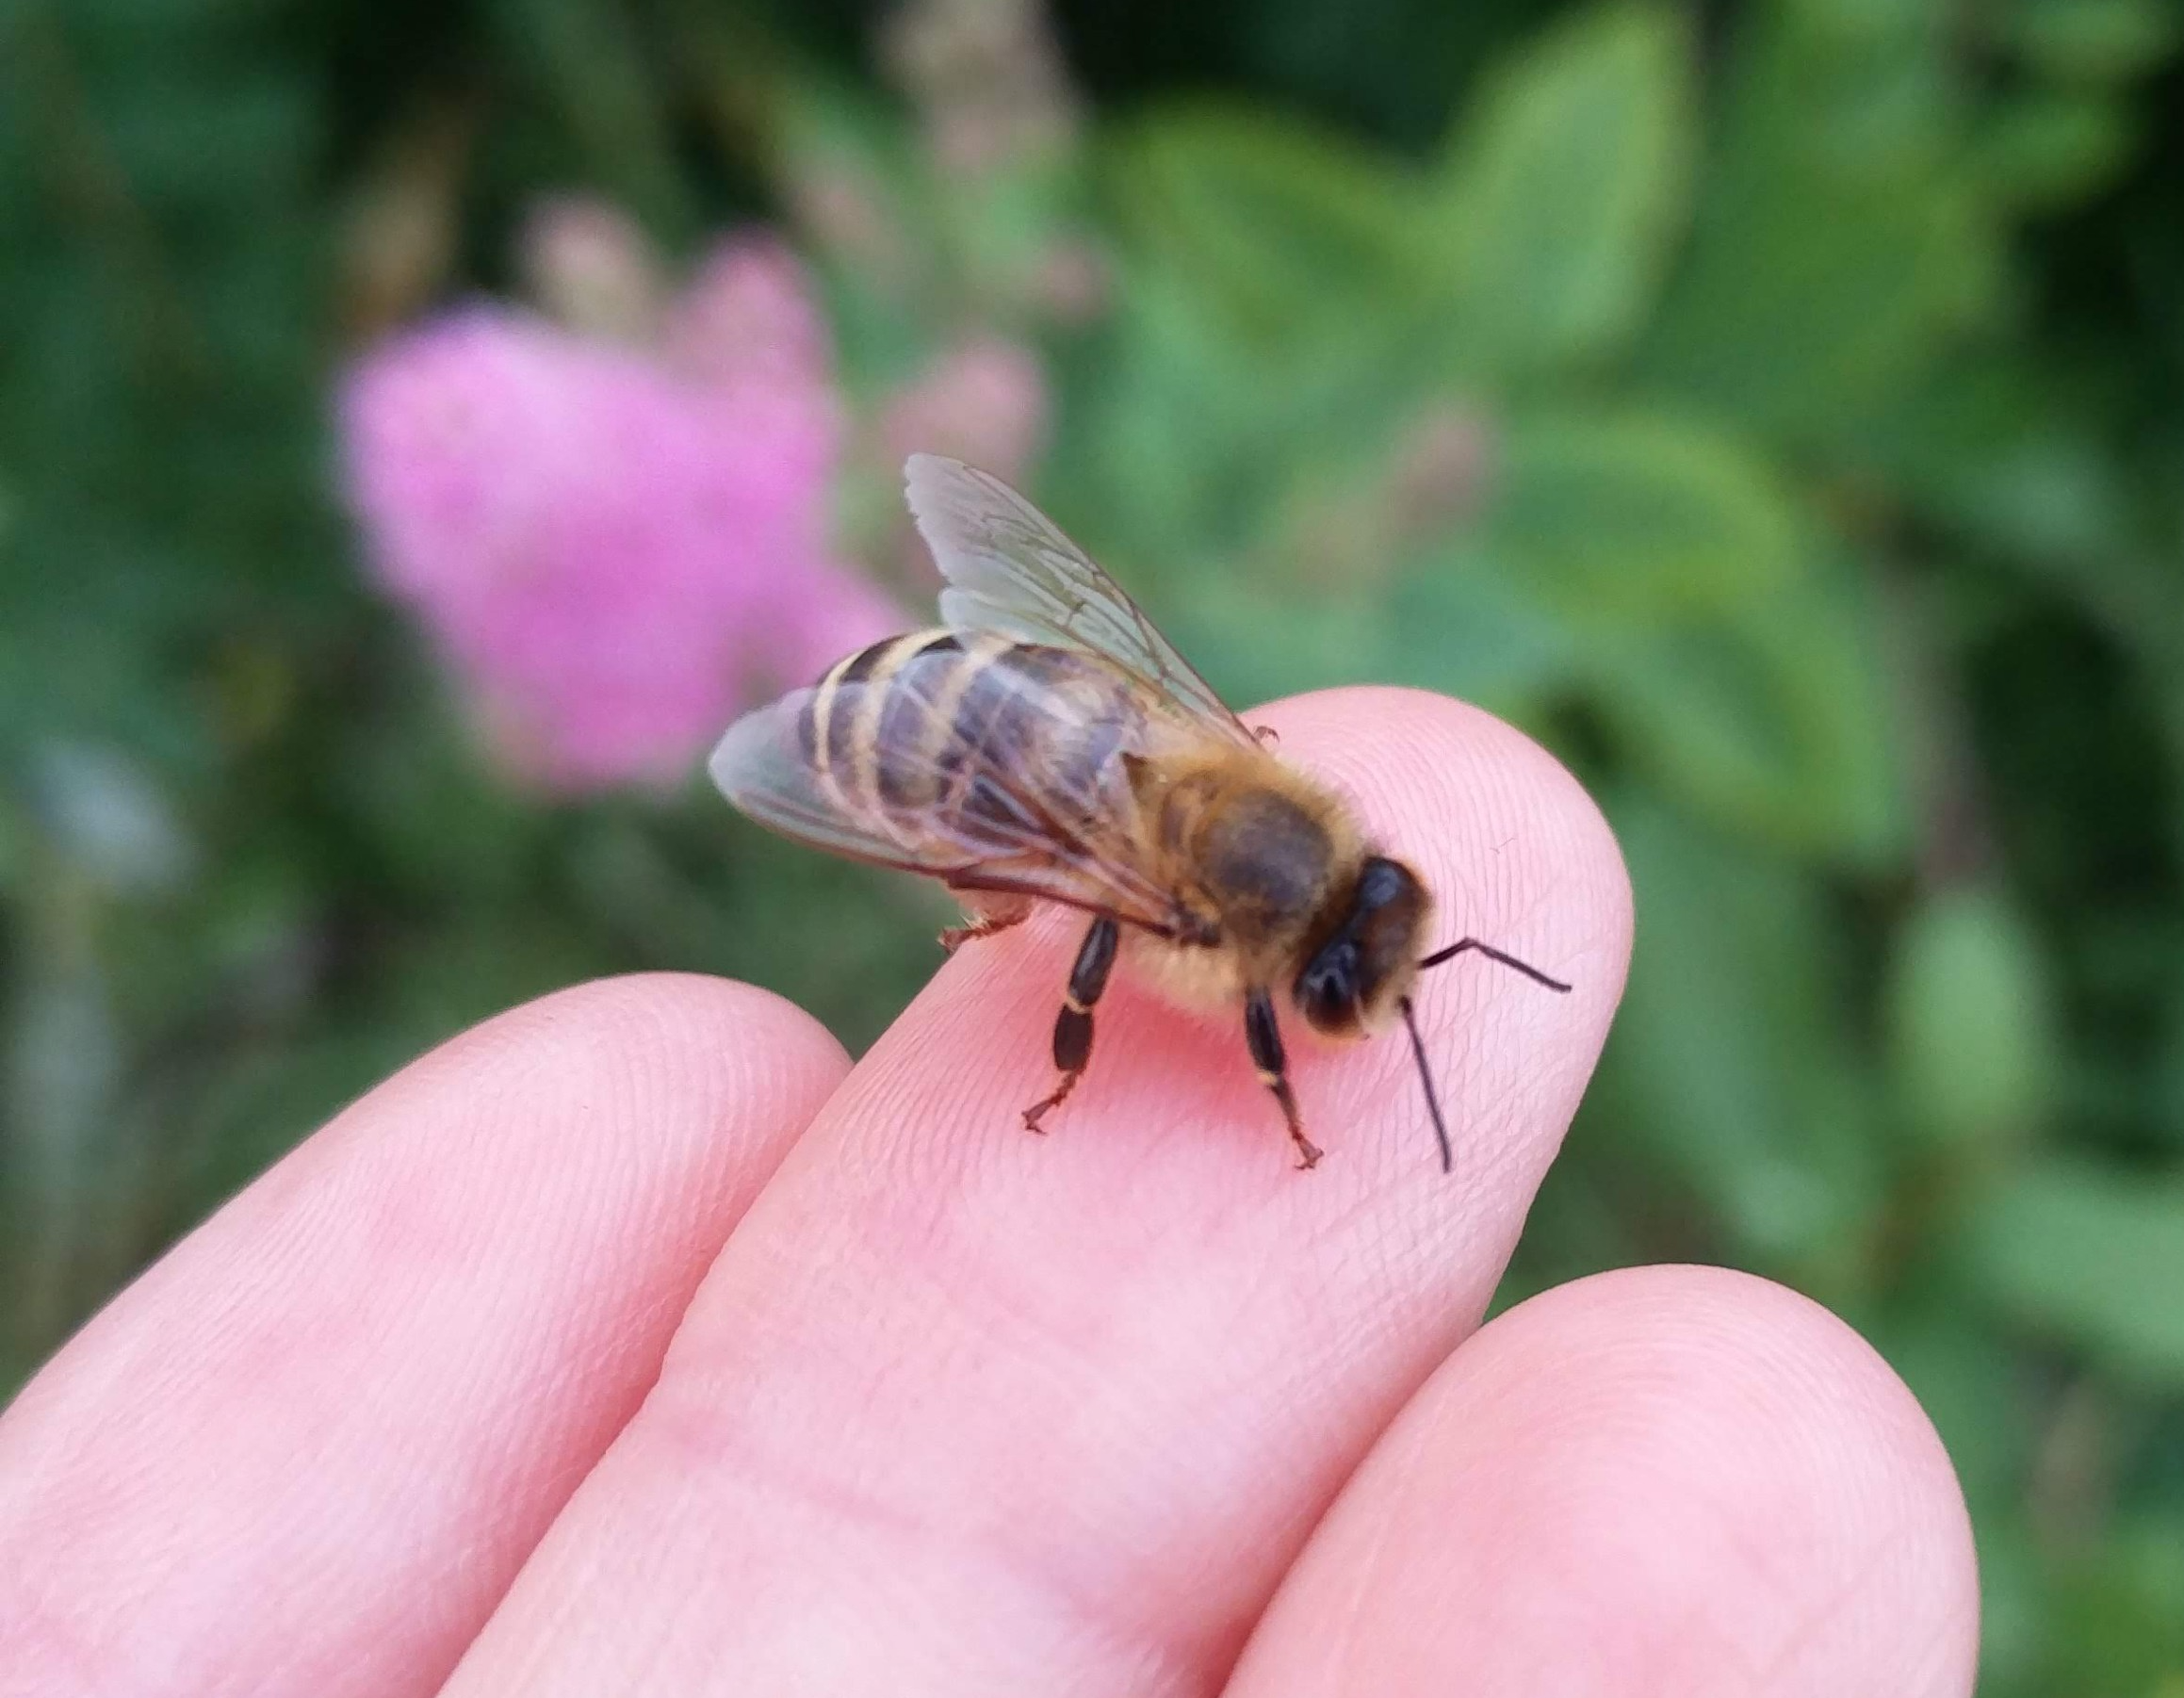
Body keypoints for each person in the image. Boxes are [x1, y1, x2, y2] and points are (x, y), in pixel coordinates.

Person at [0, 690, 1976, 1695]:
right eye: (1351, 967)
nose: (1360, 992)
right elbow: (1107, 944)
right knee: (1050, 929)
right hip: (976, 753)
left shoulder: (1243, 771)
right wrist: (1142, 1076)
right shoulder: (1184, 909)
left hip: (1053, 687)